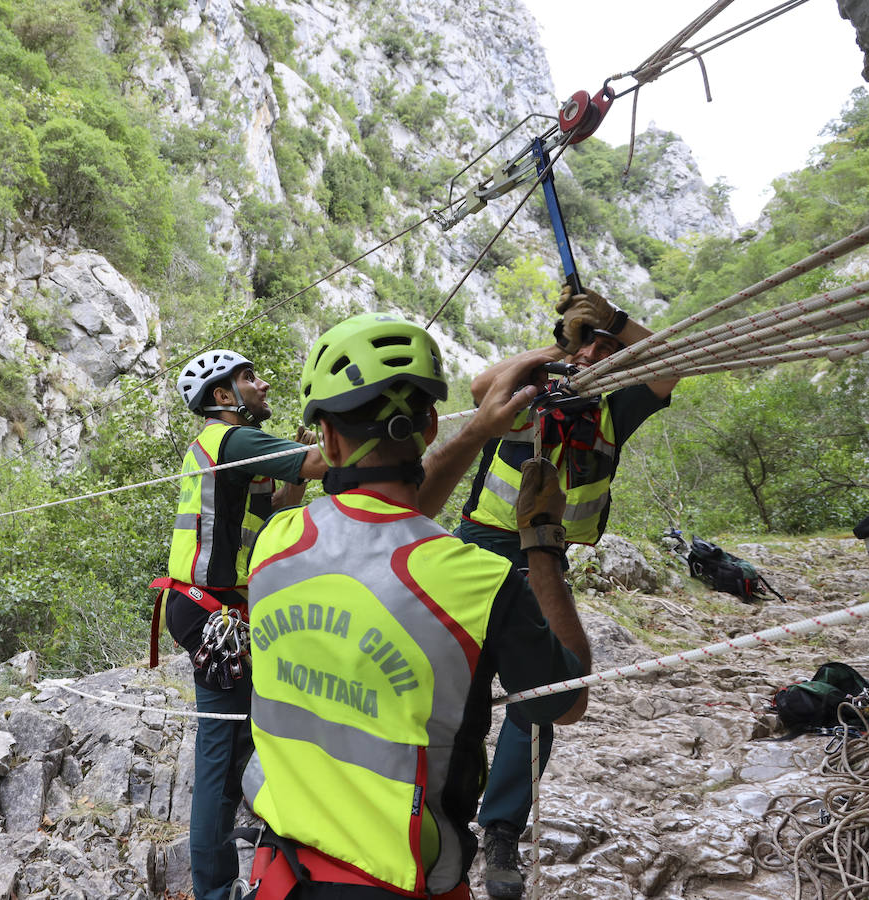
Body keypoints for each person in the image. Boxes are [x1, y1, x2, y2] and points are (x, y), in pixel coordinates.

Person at [241, 312, 592, 899]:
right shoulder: (481, 582)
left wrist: (479, 430)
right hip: (398, 881)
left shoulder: (276, 542)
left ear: (326, 439)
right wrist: (543, 542)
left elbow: (384, 526)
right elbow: (567, 700)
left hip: (281, 872)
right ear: (430, 424)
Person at [456, 288, 679, 899]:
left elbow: (670, 367)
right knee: (456, 684)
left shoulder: (615, 411)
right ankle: (440, 809)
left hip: (544, 560)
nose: (591, 358)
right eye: (587, 349)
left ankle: (501, 829)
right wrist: (563, 344)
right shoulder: (531, 392)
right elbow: (481, 389)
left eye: (604, 353)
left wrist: (616, 326)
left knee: (544, 693)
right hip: (479, 547)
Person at [156, 348, 328, 900]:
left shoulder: (230, 450)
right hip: (213, 611)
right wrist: (330, 437)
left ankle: (232, 875)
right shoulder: (231, 440)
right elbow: (321, 464)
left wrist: (297, 460)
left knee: (232, 746)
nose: (263, 384)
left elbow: (279, 506)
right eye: (249, 378)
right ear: (224, 397)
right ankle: (213, 889)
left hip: (210, 608)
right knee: (220, 752)